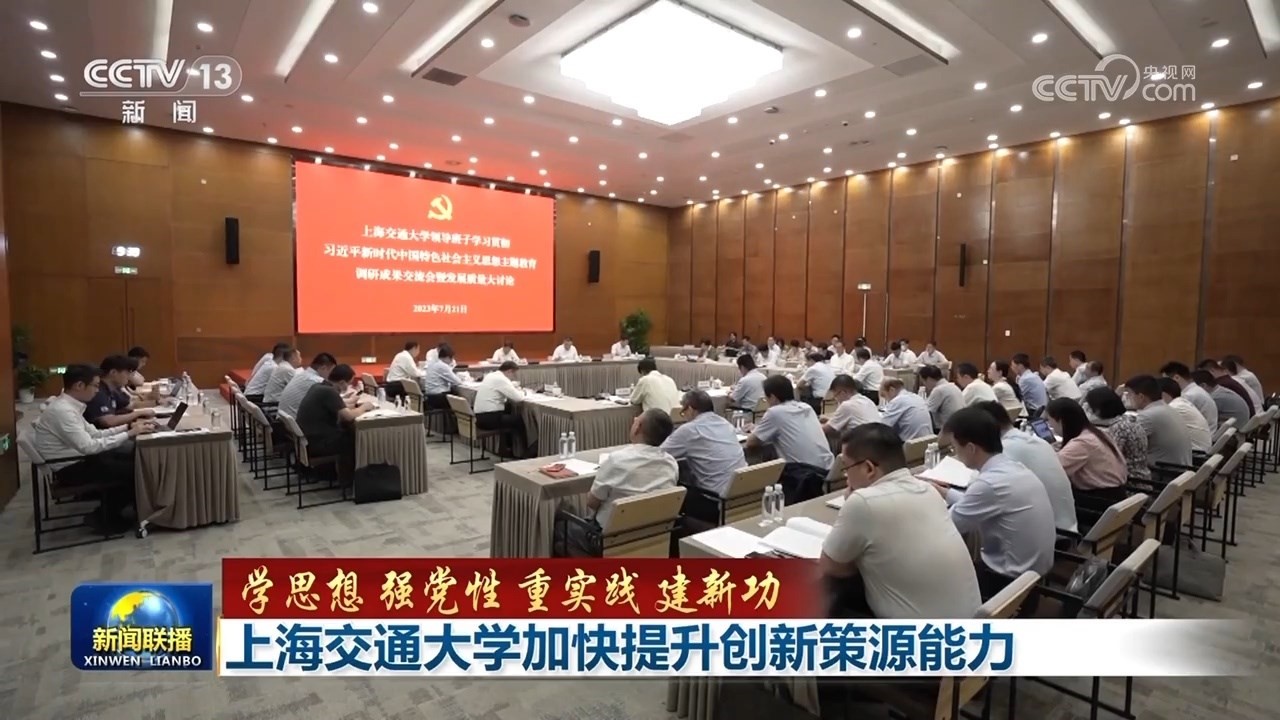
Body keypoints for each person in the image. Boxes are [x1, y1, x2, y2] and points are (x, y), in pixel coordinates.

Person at [819, 424, 982, 619]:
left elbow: (831, 566)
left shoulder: (863, 502)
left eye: (847, 467)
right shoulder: (927, 490)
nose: (846, 476)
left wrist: (852, 503)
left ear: (869, 468)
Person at [937, 407, 1056, 596]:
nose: (955, 453)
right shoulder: (1012, 467)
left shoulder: (988, 484)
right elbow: (979, 502)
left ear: (971, 448)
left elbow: (947, 526)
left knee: (939, 576)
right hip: (1033, 575)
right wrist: (944, 492)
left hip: (1006, 581)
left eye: (954, 447)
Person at [30, 364, 157, 532]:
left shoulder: (69, 406)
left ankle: (120, 511)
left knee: (136, 459)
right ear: (79, 385)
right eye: (95, 386)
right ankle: (104, 517)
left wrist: (128, 427)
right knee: (138, 469)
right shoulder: (63, 412)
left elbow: (95, 434)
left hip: (79, 460)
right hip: (71, 469)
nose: (97, 391)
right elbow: (89, 447)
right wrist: (129, 433)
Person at [556, 410, 678, 555]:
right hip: (653, 538)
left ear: (638, 427)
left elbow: (592, 503)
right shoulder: (671, 463)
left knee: (560, 527)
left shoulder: (617, 460)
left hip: (607, 540)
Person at [975, 402, 1077, 533]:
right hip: (1068, 526)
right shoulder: (1038, 442)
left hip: (1051, 534)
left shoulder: (1006, 450)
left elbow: (980, 490)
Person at [745, 375, 833, 504]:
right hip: (828, 469)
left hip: (804, 475)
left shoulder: (775, 412)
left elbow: (751, 443)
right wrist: (760, 428)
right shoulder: (806, 407)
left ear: (773, 397)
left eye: (766, 398)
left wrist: (755, 430)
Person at [662, 390, 748, 523]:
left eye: (683, 412)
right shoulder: (725, 423)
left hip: (715, 501)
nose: (684, 417)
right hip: (742, 494)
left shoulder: (690, 430)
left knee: (673, 495)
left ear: (690, 409)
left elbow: (659, 454)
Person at [1045, 398, 1129, 513]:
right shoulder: (1096, 433)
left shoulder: (1082, 443)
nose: (1050, 425)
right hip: (1116, 495)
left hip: (1099, 502)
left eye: (1049, 420)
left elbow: (1052, 470)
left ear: (1060, 420)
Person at [296, 364, 374, 485]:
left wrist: (351, 405)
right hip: (318, 443)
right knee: (356, 438)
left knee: (348, 430)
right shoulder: (329, 392)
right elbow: (348, 416)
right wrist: (364, 407)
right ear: (342, 382)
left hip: (307, 440)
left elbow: (339, 408)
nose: (348, 387)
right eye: (349, 384)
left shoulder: (319, 386)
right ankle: (351, 479)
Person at [1123, 375, 1192, 468]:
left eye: (1129, 394)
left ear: (1141, 397)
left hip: (1163, 473)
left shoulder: (1148, 416)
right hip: (1180, 471)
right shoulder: (1166, 409)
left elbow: (1123, 442)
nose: (1127, 398)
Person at [1084, 387, 1150, 483]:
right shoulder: (1128, 420)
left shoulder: (1119, 428)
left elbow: (1108, 459)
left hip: (1129, 481)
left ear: (1098, 409)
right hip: (1139, 477)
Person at [473, 361, 531, 456]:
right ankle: (525, 452)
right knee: (518, 420)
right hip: (489, 419)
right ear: (509, 371)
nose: (513, 378)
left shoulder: (491, 375)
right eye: (514, 374)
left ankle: (508, 448)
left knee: (508, 410)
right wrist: (523, 392)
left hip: (480, 417)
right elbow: (518, 398)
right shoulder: (502, 379)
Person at [84, 355, 156, 429]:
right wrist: (138, 414)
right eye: (127, 372)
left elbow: (128, 406)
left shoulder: (112, 389)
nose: (129, 376)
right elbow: (108, 421)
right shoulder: (97, 391)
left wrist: (155, 402)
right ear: (113, 372)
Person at [1158, 377, 1212, 454]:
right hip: (1200, 451)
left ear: (1163, 395)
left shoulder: (1174, 407)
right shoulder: (1182, 403)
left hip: (1195, 454)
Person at [1160, 361, 1218, 431]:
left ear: (1177, 377)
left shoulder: (1189, 395)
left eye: (1166, 380)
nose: (1165, 384)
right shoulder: (1195, 390)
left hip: (1203, 433)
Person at [423, 344, 468, 433]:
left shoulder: (432, 364)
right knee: (461, 400)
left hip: (429, 396)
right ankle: (460, 428)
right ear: (447, 357)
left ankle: (453, 426)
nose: (451, 361)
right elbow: (457, 381)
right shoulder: (443, 366)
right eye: (451, 359)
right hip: (438, 398)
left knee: (454, 394)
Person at [821, 375, 881, 441]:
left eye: (835, 396)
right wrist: (830, 420)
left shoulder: (847, 405)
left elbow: (826, 429)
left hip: (861, 443)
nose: (836, 399)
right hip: (877, 442)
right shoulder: (868, 401)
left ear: (843, 393)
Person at [278, 353, 337, 419]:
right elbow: (334, 403)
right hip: (296, 420)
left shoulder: (302, 374)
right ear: (323, 368)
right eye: (331, 372)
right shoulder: (317, 381)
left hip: (285, 420)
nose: (331, 375)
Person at [919, 365, 963, 430]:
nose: (924, 385)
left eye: (923, 381)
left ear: (928, 379)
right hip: (959, 425)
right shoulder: (953, 386)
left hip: (946, 429)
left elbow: (926, 411)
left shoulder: (939, 390)